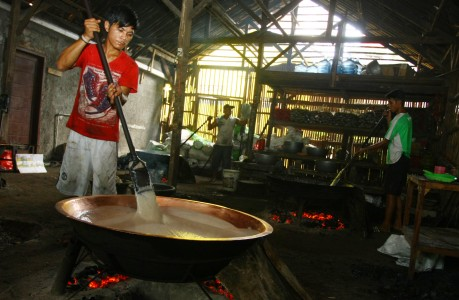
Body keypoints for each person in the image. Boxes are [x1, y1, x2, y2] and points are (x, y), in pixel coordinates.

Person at [55, 6, 140, 196]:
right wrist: (85, 37)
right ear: (107, 25)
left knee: (103, 192)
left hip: (106, 138)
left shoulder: (131, 66)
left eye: (129, 34)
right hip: (80, 132)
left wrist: (118, 94)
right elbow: (61, 64)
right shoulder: (90, 51)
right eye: (120, 30)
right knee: (73, 188)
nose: (124, 37)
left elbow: (123, 96)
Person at [357, 89, 412, 233]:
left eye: (391, 102)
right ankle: (398, 223)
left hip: (396, 159)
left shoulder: (398, 119)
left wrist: (365, 149)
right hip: (404, 158)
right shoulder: (406, 118)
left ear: (399, 102)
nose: (389, 105)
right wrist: (389, 119)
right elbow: (393, 134)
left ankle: (386, 225)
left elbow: (385, 141)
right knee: (397, 193)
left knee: (390, 194)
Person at [207, 104, 247, 181]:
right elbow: (210, 127)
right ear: (224, 110)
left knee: (226, 164)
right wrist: (209, 120)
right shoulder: (218, 119)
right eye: (228, 109)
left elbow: (242, 123)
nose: (230, 111)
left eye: (231, 110)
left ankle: (225, 179)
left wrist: (246, 116)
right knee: (215, 162)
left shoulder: (234, 120)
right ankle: (213, 177)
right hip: (218, 144)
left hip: (228, 146)